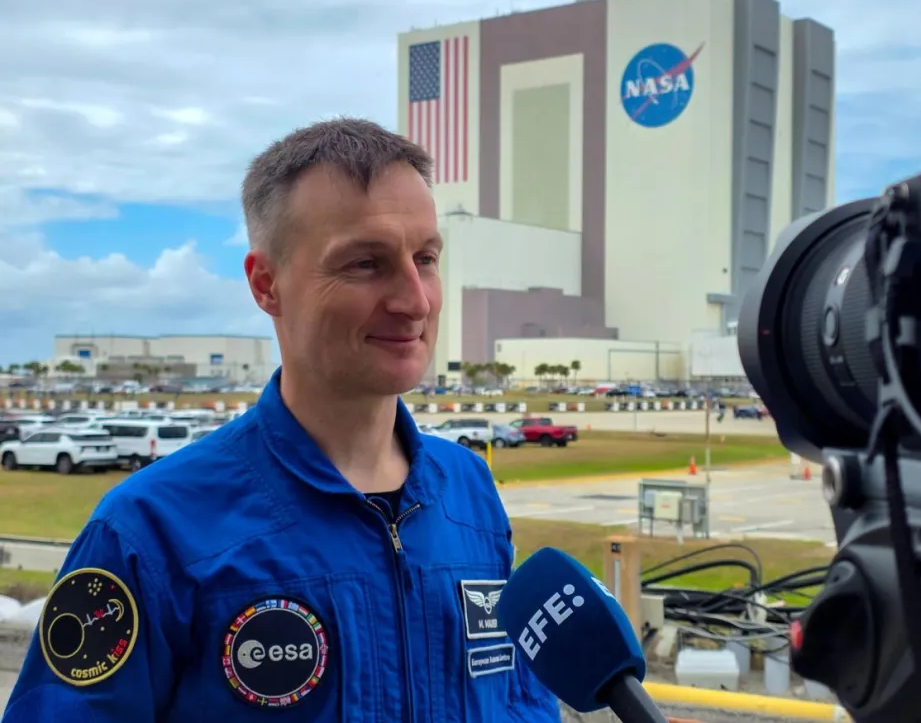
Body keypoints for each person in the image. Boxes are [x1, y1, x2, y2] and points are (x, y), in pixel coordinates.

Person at [1, 118, 562, 722]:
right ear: (266, 284)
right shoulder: (150, 530)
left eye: (425, 258)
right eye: (366, 264)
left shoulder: (469, 490)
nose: (415, 300)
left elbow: (518, 700)